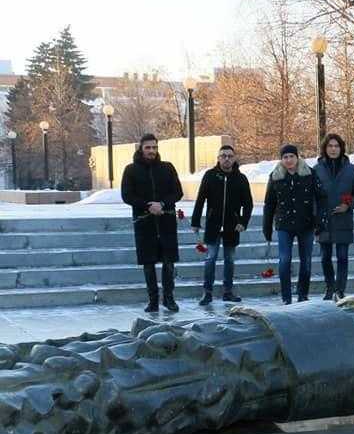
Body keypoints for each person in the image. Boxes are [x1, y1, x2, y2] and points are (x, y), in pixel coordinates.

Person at [120, 133, 183, 313]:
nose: (152, 151)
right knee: (148, 263)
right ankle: (153, 300)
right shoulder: (131, 169)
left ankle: (169, 298)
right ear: (141, 149)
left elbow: (177, 192)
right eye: (148, 147)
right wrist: (148, 206)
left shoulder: (167, 168)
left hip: (166, 222)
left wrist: (162, 204)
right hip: (144, 223)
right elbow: (127, 195)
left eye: (154, 147)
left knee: (168, 262)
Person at [190, 145, 254, 305]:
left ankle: (228, 291)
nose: (227, 159)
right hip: (213, 224)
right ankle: (207, 292)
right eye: (223, 156)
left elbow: (248, 204)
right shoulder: (210, 176)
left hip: (232, 226)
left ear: (234, 158)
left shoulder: (241, 178)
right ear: (218, 158)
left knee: (229, 259)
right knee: (210, 258)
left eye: (230, 156)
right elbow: (200, 199)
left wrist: (243, 222)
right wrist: (195, 221)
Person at [262, 145, 324, 305]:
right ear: (281, 159)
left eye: (291, 156)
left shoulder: (309, 174)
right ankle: (286, 297)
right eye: (285, 157)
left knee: (306, 260)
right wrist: (266, 227)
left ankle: (303, 294)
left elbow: (320, 198)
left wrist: (319, 221)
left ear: (297, 157)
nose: (288, 160)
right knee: (284, 260)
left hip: (306, 223)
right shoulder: (275, 176)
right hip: (284, 224)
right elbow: (269, 203)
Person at [313, 133, 354, 300]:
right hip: (324, 220)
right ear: (325, 148)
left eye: (336, 146)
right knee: (325, 257)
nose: (333, 149)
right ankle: (330, 287)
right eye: (330, 146)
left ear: (341, 148)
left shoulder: (351, 169)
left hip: (343, 219)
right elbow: (312, 195)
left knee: (342, 257)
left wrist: (348, 205)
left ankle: (340, 289)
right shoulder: (317, 169)